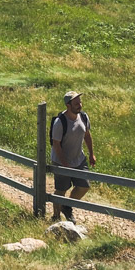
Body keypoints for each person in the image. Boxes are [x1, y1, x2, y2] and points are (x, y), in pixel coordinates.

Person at [51, 90, 96, 223]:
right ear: (68, 105)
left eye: (80, 102)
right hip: (61, 161)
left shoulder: (83, 117)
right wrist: (64, 164)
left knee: (84, 186)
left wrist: (91, 154)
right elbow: (56, 145)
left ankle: (67, 207)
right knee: (61, 189)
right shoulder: (60, 122)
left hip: (79, 159)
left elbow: (87, 135)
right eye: (76, 103)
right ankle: (56, 217)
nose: (79, 105)